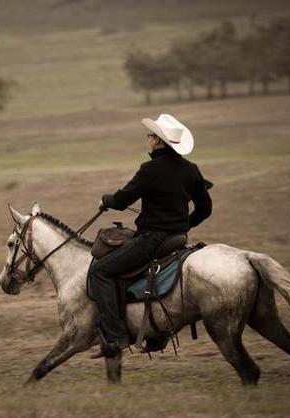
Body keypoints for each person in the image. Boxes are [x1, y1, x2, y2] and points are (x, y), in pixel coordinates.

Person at [89, 114, 213, 357]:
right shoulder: (191, 170)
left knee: (100, 271)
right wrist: (183, 226)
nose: (148, 139)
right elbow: (205, 209)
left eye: (150, 136)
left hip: (151, 240)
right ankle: (156, 333)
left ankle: (115, 337)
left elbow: (123, 201)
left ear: (158, 141)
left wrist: (106, 200)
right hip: (177, 239)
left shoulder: (150, 169)